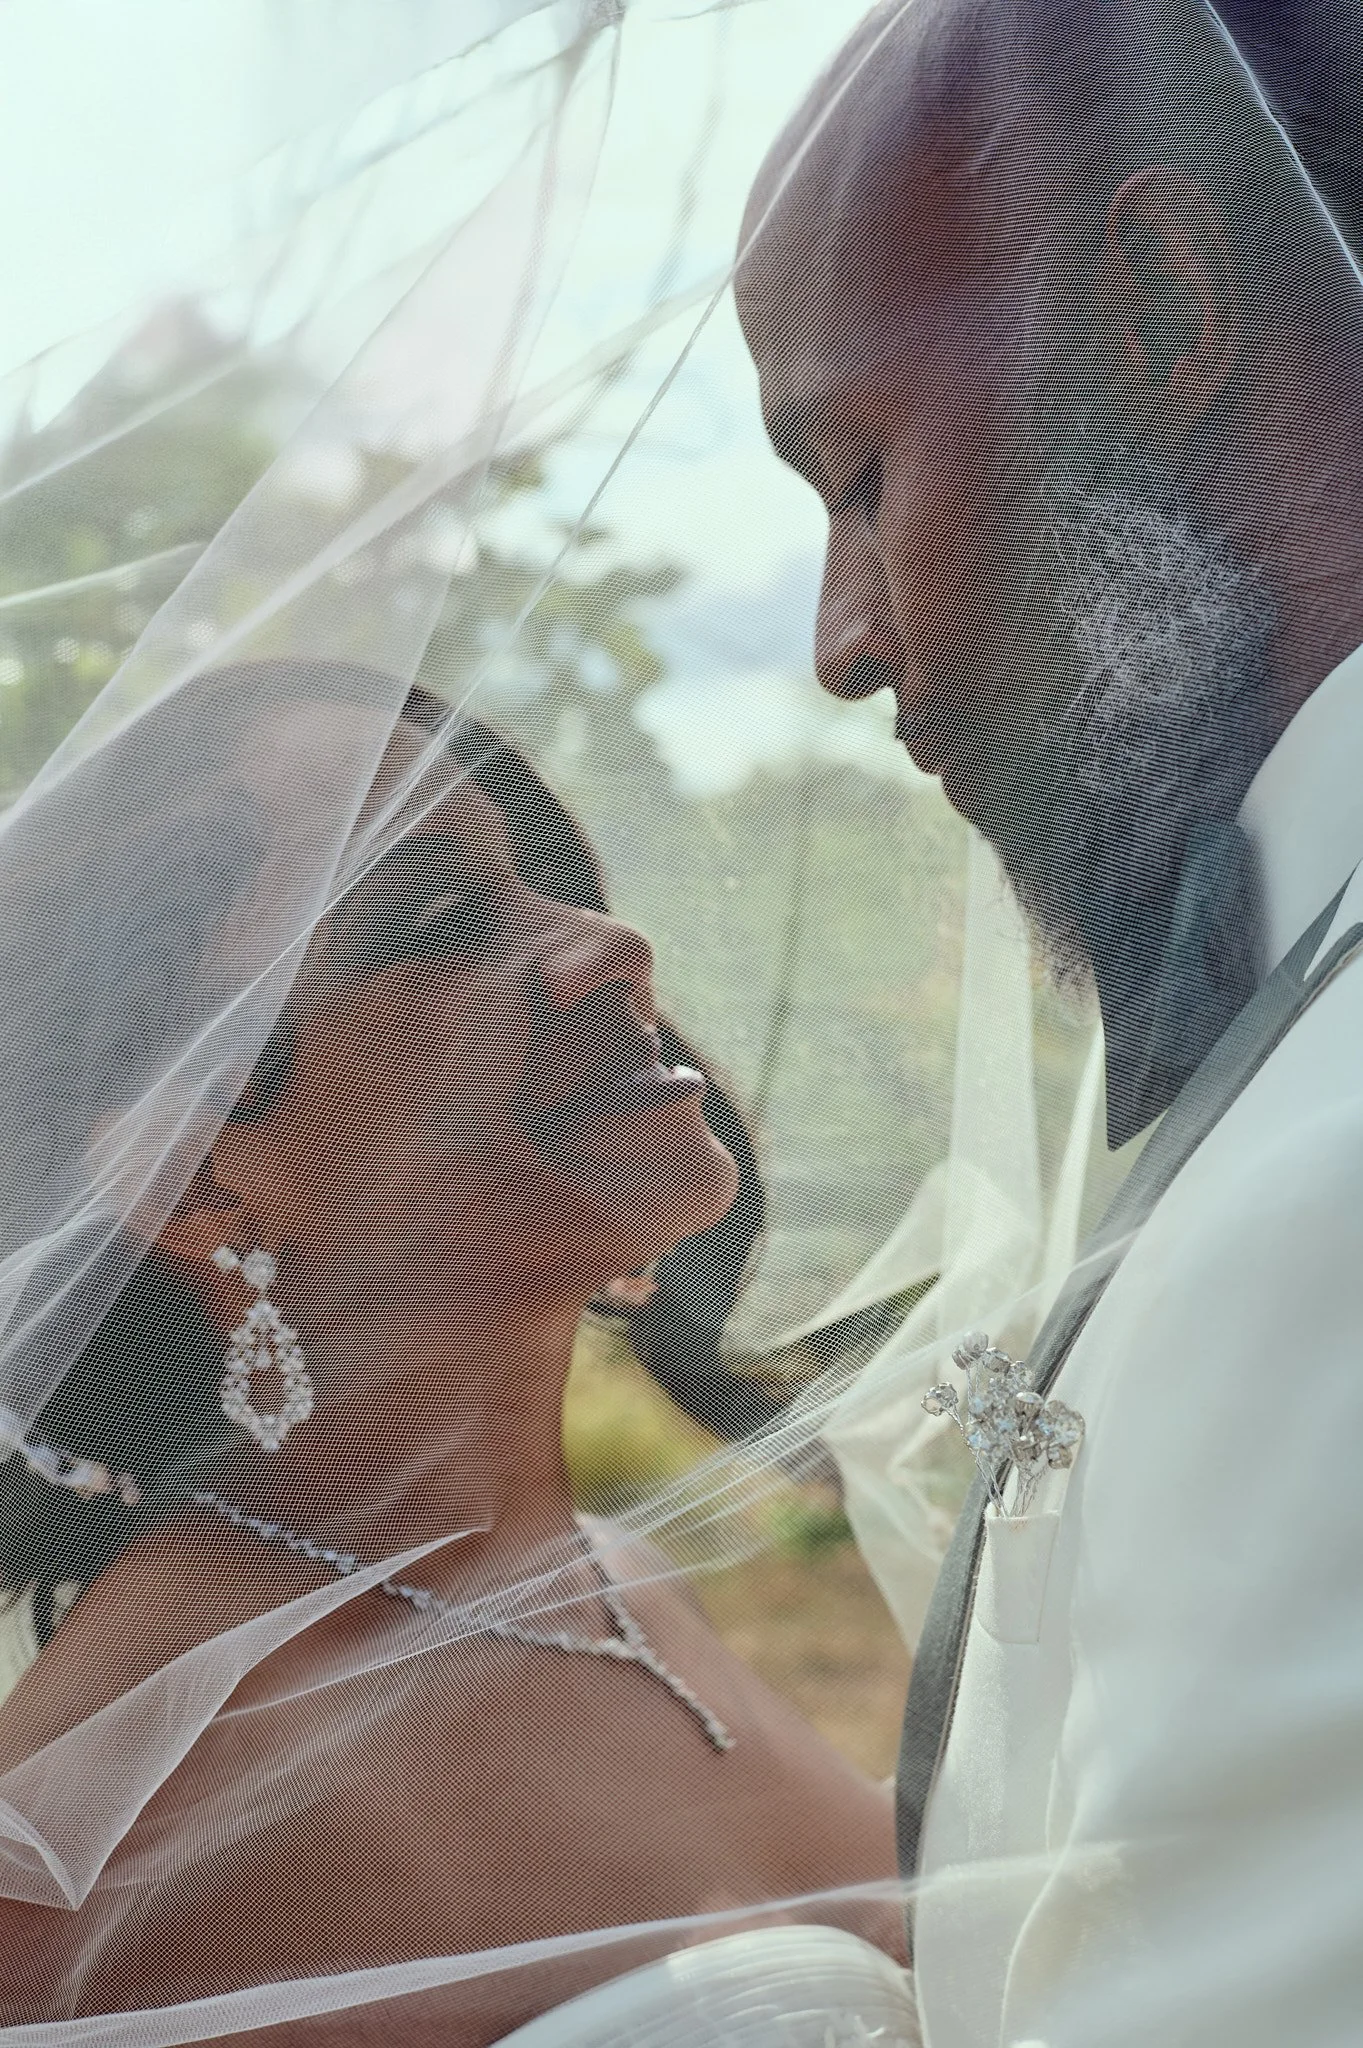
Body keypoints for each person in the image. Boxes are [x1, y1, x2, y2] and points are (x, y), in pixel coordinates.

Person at [737, 2, 1363, 2043]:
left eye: (856, 467)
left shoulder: (1323, 1195)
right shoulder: (1289, 1003)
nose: (841, 640)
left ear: (1162, 316)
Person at [0, 669, 900, 2043]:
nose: (608, 943)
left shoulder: (618, 1581)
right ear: (191, 1182)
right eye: (432, 918)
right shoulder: (85, 1859)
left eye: (539, 880)